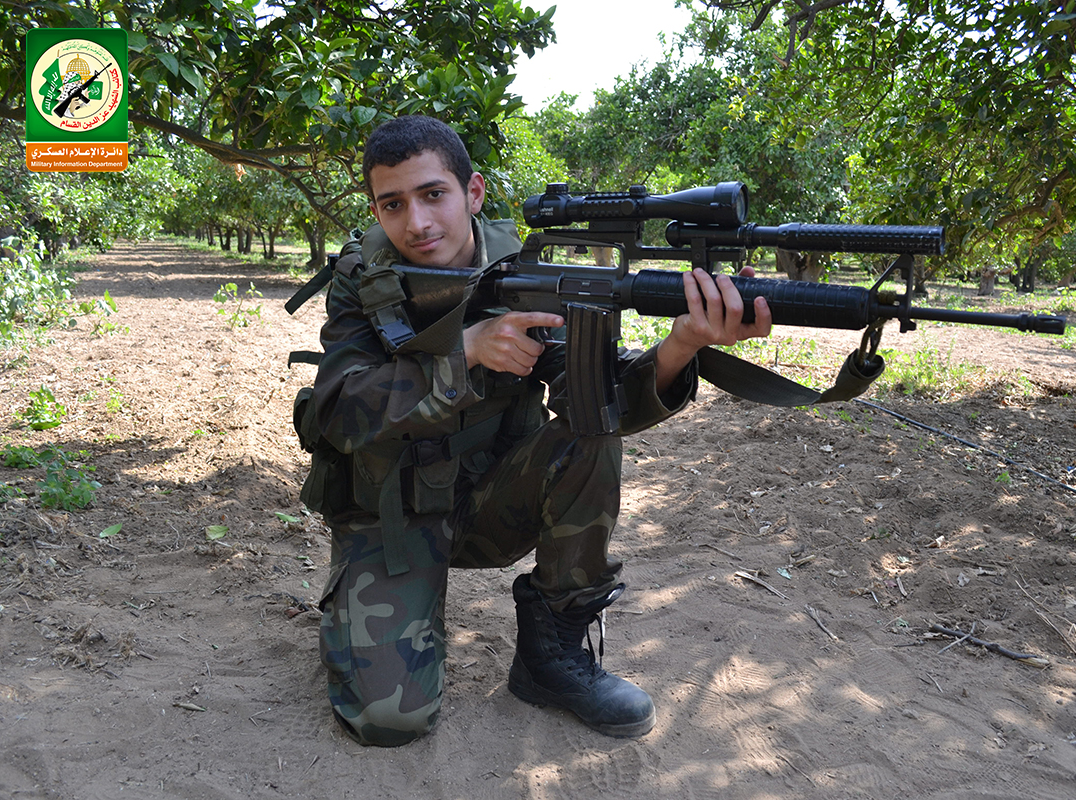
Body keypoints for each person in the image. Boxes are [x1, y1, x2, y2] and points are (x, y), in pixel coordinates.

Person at [299, 114, 771, 747]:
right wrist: (466, 351)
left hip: (489, 502)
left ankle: (552, 656)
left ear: (473, 192)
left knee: (590, 429)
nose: (417, 222)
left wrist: (682, 344)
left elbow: (595, 395)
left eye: (434, 194)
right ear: (376, 211)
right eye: (394, 204)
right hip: (389, 516)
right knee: (390, 722)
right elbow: (337, 410)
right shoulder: (366, 280)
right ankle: (368, 619)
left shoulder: (524, 274)